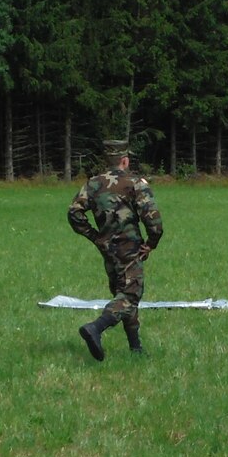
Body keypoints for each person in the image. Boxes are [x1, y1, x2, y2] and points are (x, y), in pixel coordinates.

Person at [67, 139, 164, 361]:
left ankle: (136, 348)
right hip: (131, 248)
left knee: (123, 294)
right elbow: (155, 223)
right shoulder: (135, 183)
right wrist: (151, 243)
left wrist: (95, 236)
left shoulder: (93, 184)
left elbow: (74, 214)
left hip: (107, 249)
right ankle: (95, 328)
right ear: (125, 160)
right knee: (130, 295)